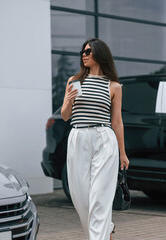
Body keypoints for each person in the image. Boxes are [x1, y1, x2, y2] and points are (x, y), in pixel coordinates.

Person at [61, 38, 130, 240]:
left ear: (99, 54)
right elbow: (66, 116)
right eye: (82, 52)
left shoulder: (114, 86)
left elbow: (117, 122)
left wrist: (122, 153)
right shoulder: (74, 81)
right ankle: (106, 228)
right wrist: (68, 100)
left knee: (100, 197)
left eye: (88, 51)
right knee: (81, 197)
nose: (84, 55)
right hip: (78, 137)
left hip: (104, 138)